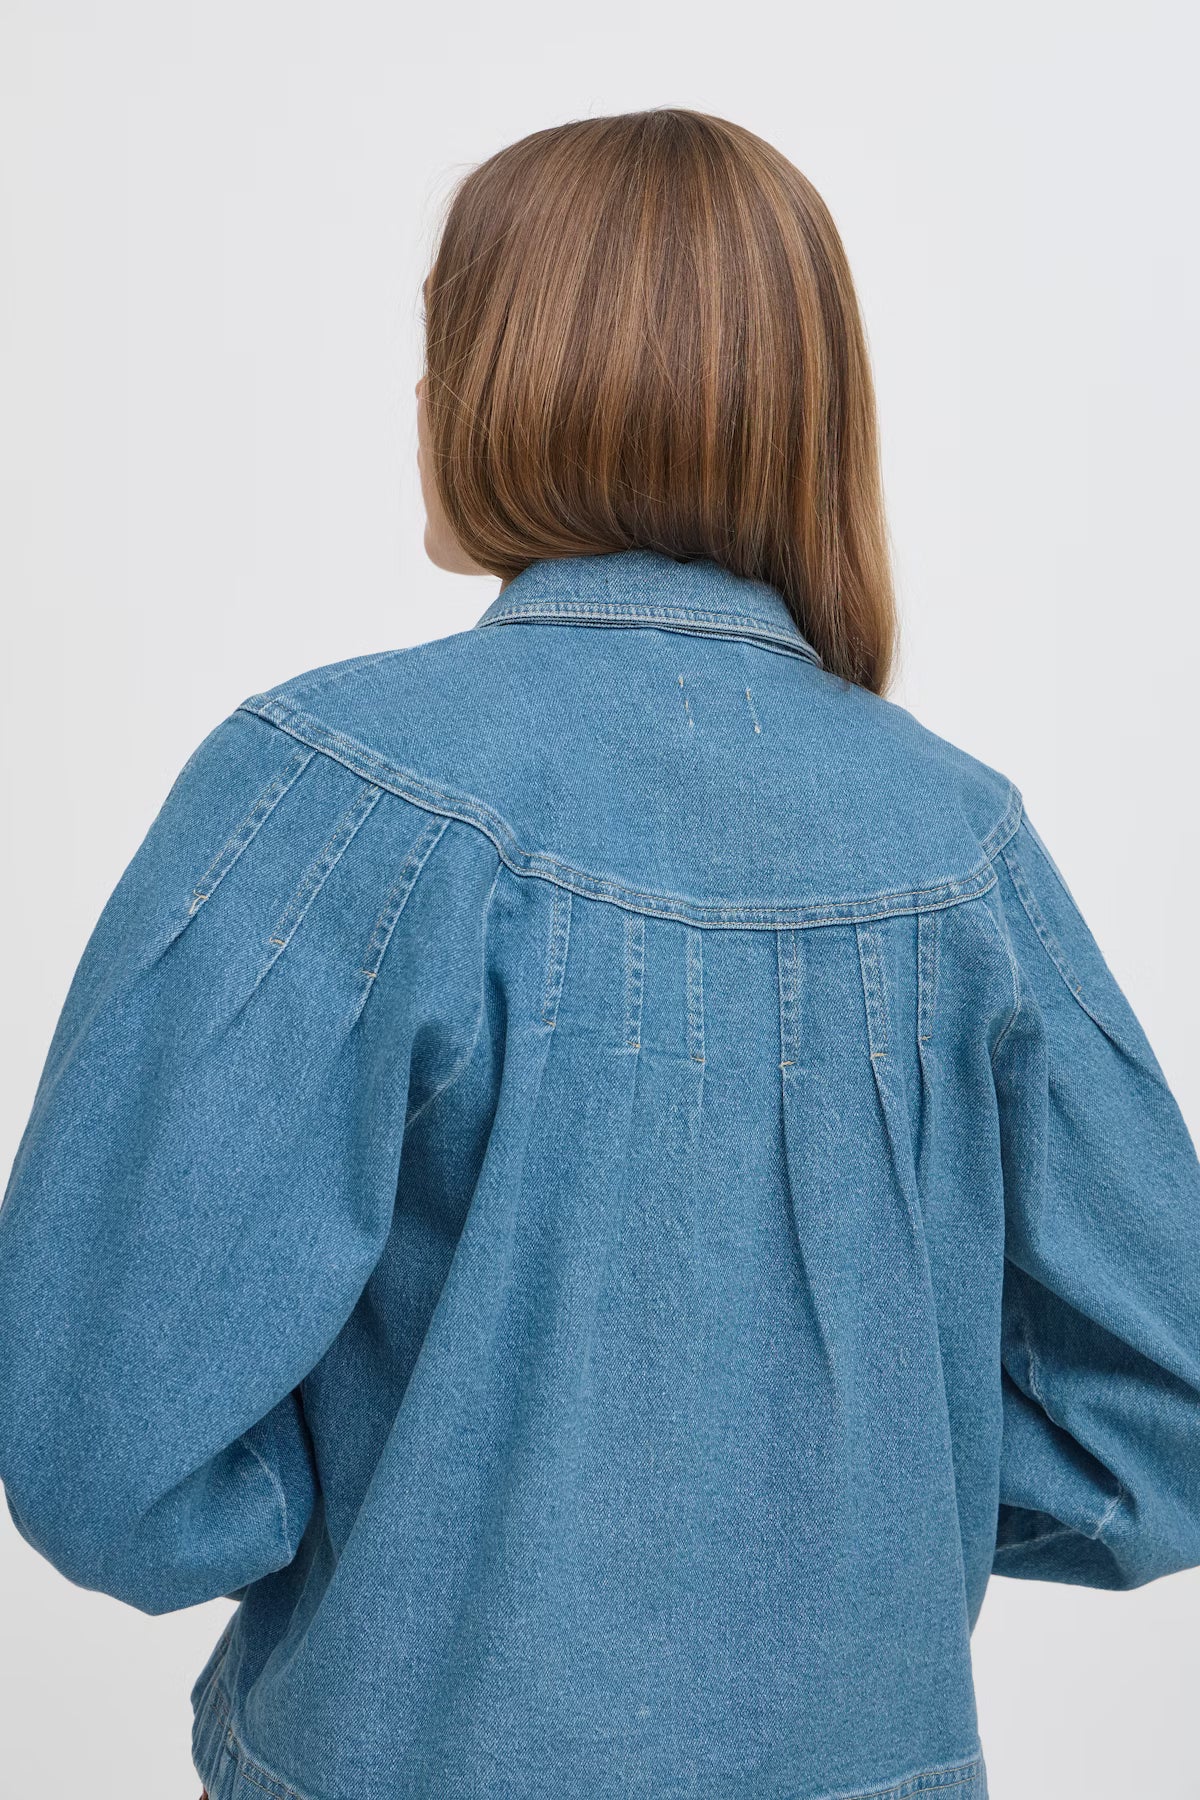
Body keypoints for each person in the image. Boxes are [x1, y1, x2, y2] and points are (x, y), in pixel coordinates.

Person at [1, 107, 1198, 1800]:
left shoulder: (333, 793)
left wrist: (361, 1499)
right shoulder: (964, 850)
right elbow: (1168, 1410)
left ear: (489, 390)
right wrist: (837, 1519)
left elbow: (95, 1443)